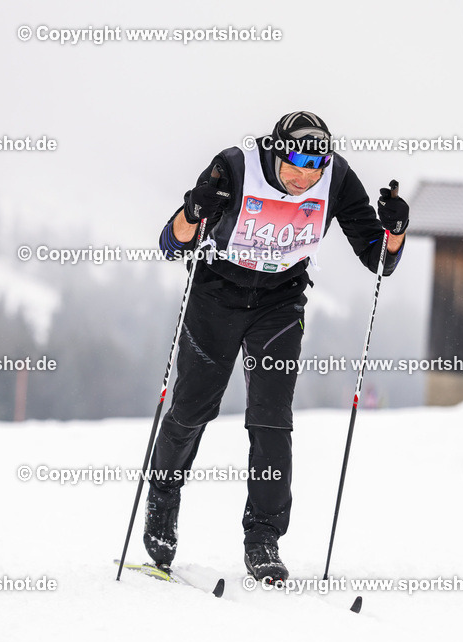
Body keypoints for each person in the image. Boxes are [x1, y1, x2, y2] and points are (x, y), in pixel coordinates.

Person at [145, 111, 408, 582]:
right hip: (217, 294)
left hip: (280, 302)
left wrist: (395, 231)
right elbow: (172, 244)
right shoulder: (233, 168)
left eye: (317, 167)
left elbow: (378, 259)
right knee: (190, 410)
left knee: (271, 420)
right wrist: (193, 210)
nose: (306, 177)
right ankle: (163, 503)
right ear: (276, 148)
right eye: (297, 164)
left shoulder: (337, 179)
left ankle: (263, 538)